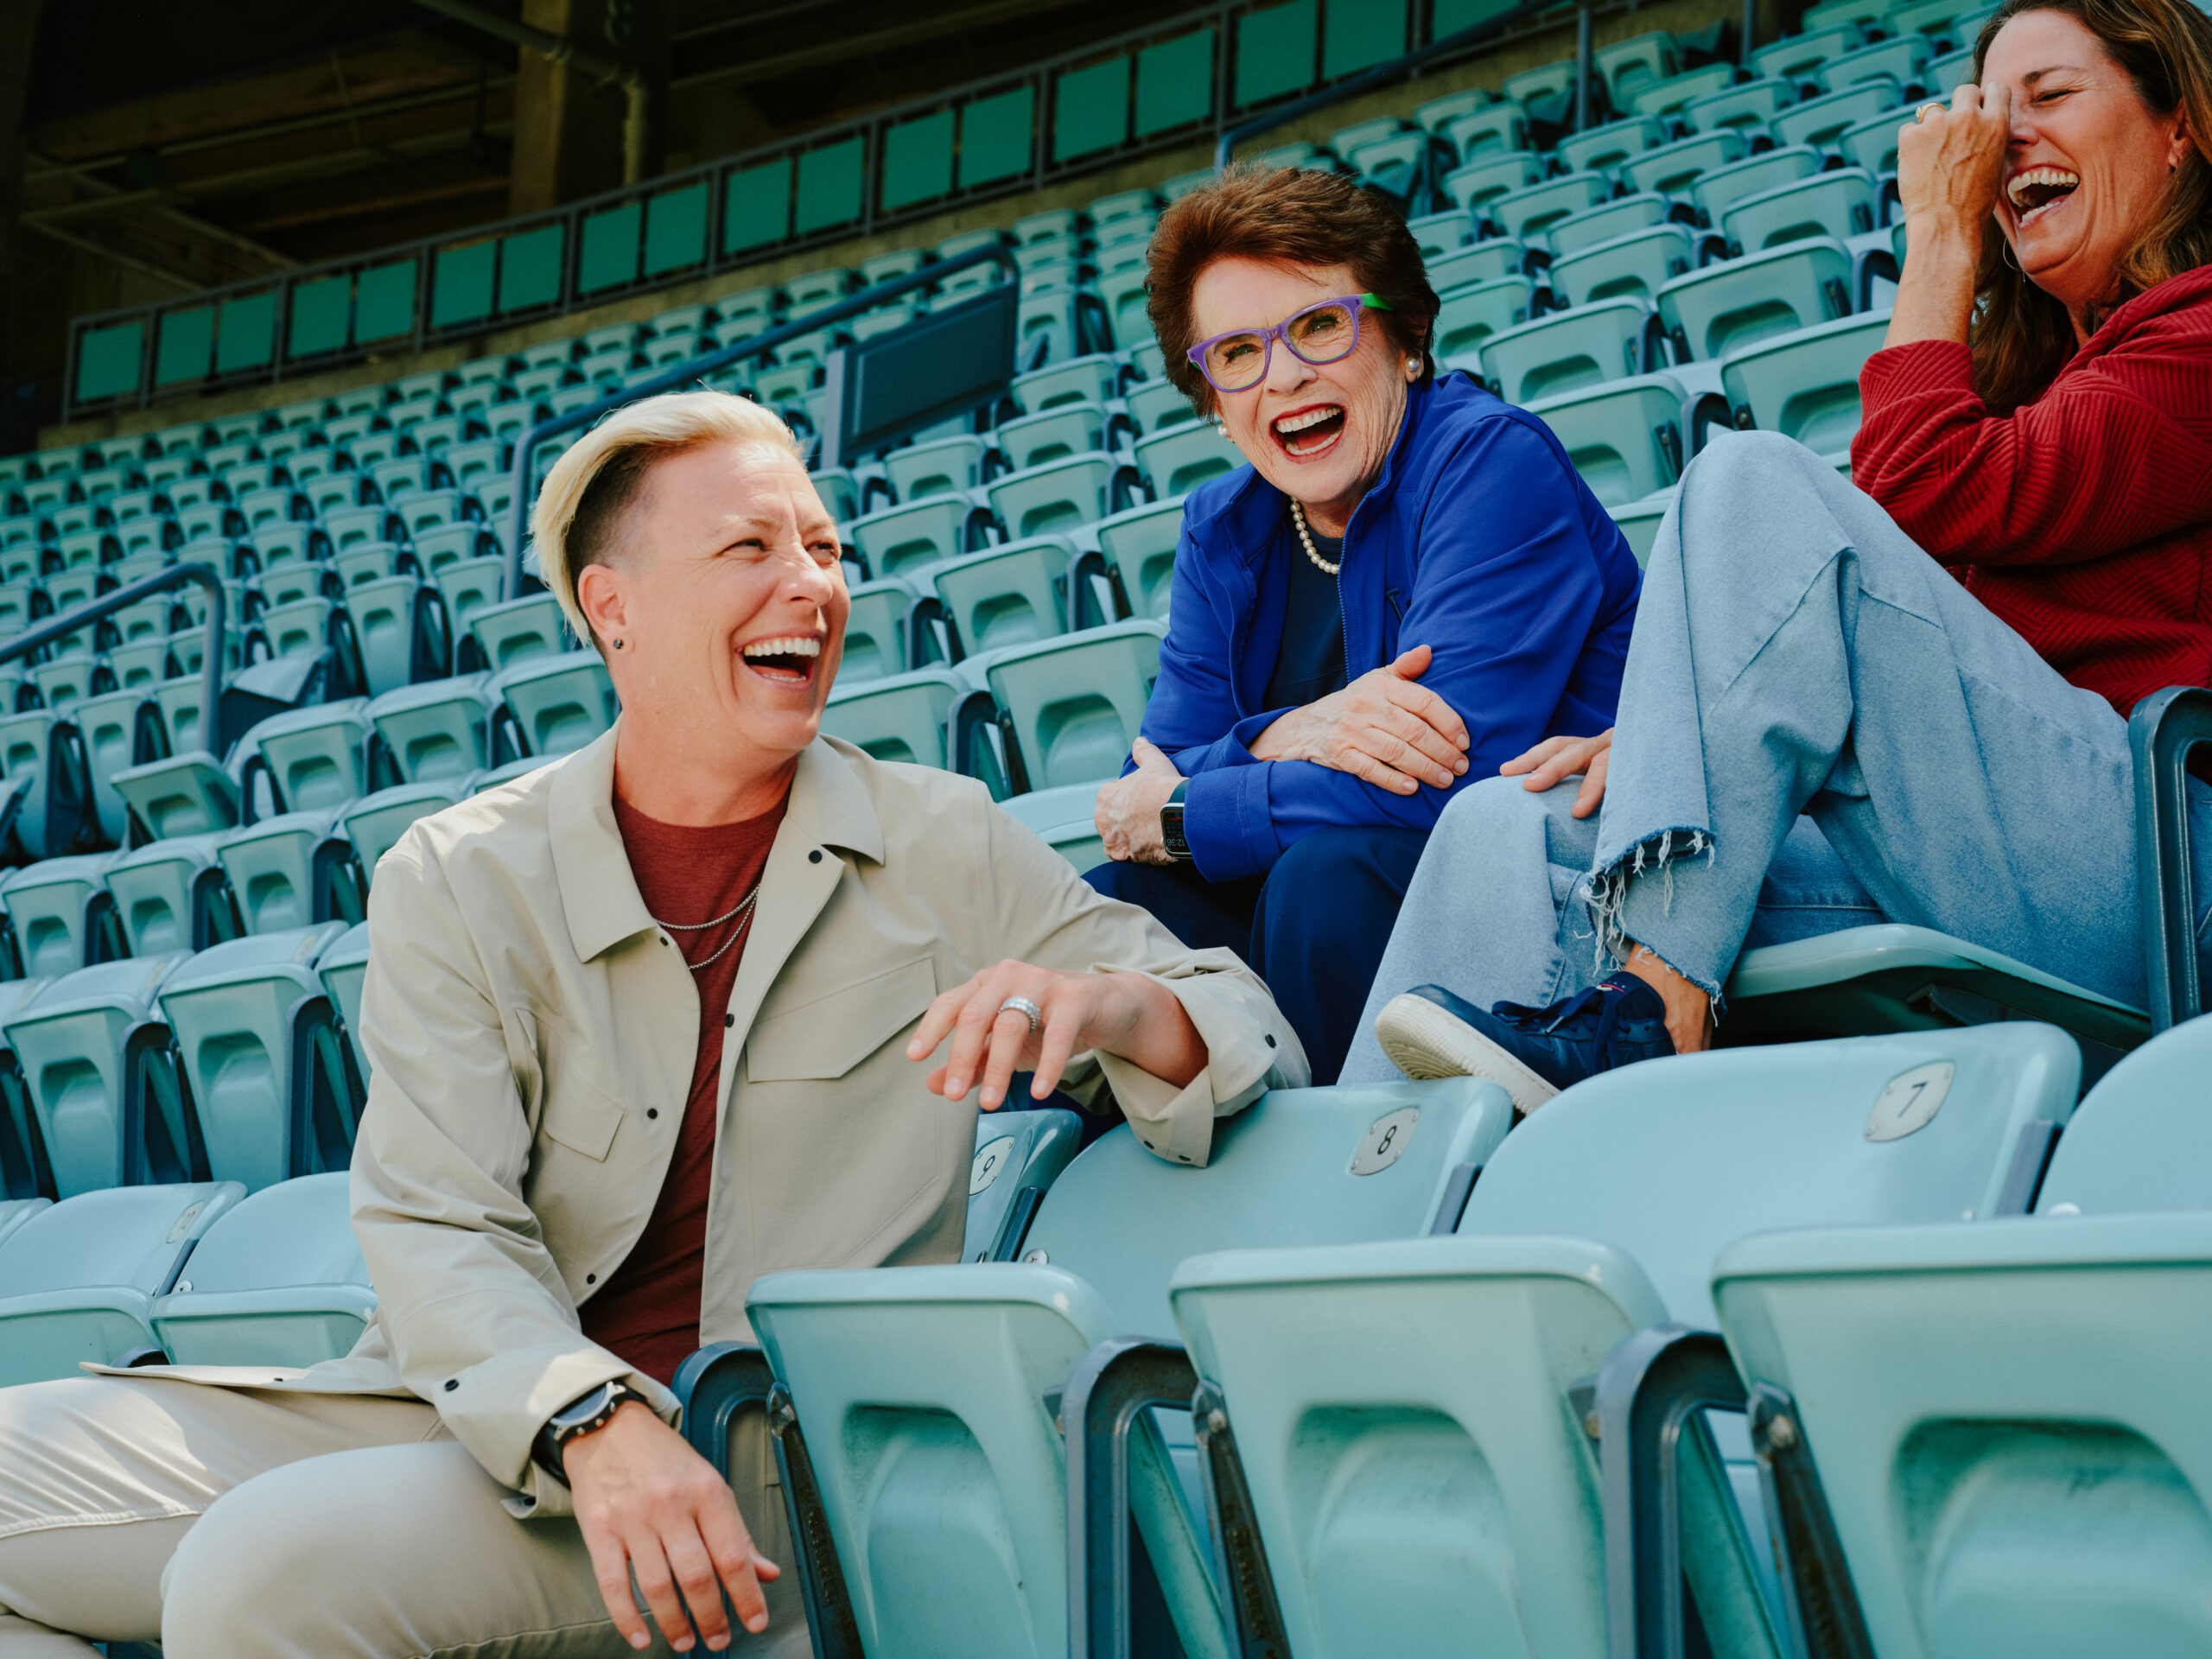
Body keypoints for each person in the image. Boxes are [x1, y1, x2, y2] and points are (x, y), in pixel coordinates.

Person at [0, 391, 1304, 1656]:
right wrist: (584, 1416)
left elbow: (1244, 1023)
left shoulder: (942, 837)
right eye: (750, 548)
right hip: (476, 1410)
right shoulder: (457, 873)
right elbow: (438, 1223)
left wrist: (1118, 1006)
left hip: (760, 1457)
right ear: (612, 608)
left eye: (823, 547)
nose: (811, 584)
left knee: (259, 1571)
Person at [1355, 0, 2212, 1107]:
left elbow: (1918, 487)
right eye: (1987, 113)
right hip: (1988, 842)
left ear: (2180, 128)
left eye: (2048, 97)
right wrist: (1686, 751)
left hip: (2161, 863)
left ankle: (1655, 1007)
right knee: (1509, 829)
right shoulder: (2041, 384)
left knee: (1751, 478)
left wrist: (1938, 230)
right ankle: (1381, 1193)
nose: (2001, 142)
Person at [1087, 163, 1644, 1084]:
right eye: (1237, 353)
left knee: (1326, 879)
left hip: (1551, 894)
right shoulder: (1223, 528)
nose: (1284, 376)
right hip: (1338, 907)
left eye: (1319, 326)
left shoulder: (1490, 463)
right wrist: (1289, 735)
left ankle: (1362, 1157)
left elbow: (1438, 782)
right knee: (1120, 906)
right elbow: (1143, 785)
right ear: (1214, 400)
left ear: (1406, 336)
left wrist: (1193, 805)